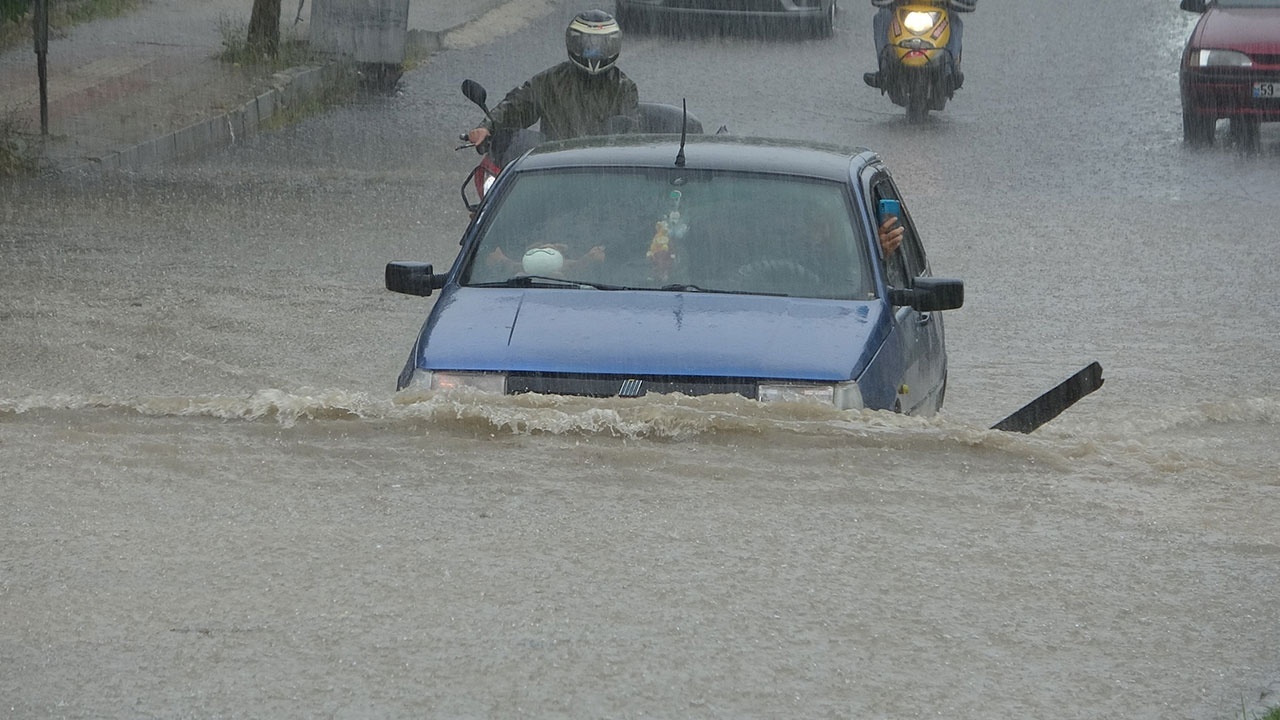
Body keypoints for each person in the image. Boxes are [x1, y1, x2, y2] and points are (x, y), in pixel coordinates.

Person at [465, 10, 640, 148]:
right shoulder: (550, 80)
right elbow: (518, 105)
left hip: (602, 169)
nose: (593, 52)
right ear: (574, 43)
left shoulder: (623, 87)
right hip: (553, 166)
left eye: (601, 45)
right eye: (587, 44)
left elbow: (629, 133)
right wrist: (487, 127)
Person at [862, 0, 976, 91]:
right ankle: (885, 70)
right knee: (882, 17)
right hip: (902, 7)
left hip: (939, 8)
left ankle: (948, 73)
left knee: (955, 21)